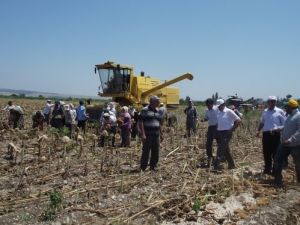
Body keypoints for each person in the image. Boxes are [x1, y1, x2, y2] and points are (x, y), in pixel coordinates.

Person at [273, 99, 300, 187]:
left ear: (291, 107)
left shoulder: (298, 116)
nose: (285, 108)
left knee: (298, 164)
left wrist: (291, 139)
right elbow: (287, 126)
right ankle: (278, 180)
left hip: (295, 145)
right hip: (284, 144)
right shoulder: (289, 116)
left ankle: (299, 182)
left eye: (287, 106)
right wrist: (279, 128)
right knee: (277, 160)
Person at [256, 96, 286, 175]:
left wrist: (278, 129)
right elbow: (262, 122)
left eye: (274, 101)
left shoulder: (280, 111)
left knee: (276, 153)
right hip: (266, 135)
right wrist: (258, 131)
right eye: (270, 101)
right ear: (268, 102)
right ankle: (267, 169)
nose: (272, 103)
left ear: (276, 102)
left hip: (276, 135)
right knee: (266, 152)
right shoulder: (265, 111)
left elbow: (284, 124)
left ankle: (275, 170)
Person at [214, 99, 241, 170]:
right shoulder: (218, 112)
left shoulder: (229, 111)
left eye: (219, 106)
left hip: (227, 133)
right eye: (218, 106)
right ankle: (231, 165)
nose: (218, 107)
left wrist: (232, 129)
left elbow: (238, 120)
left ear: (223, 105)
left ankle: (215, 165)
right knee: (225, 150)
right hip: (219, 133)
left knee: (220, 149)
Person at [139, 96, 163, 171]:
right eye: (157, 101)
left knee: (156, 151)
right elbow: (141, 122)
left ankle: (153, 166)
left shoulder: (158, 110)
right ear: (153, 102)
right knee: (146, 150)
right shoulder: (145, 110)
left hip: (156, 134)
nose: (159, 102)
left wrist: (161, 133)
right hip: (147, 134)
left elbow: (159, 123)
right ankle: (143, 167)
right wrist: (143, 134)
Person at [201, 98, 218, 167]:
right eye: (206, 105)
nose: (207, 106)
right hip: (211, 127)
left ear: (212, 104)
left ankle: (221, 156)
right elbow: (207, 118)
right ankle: (210, 156)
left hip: (217, 127)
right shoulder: (207, 110)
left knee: (219, 142)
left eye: (208, 105)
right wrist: (203, 120)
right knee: (208, 143)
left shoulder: (217, 109)